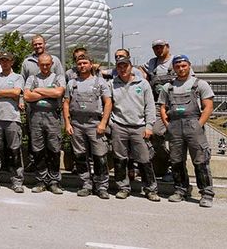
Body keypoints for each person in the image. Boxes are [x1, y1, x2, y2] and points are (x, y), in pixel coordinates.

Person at [160, 55, 215, 208]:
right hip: (175, 127)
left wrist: (199, 125)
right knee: (176, 161)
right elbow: (162, 107)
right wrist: (167, 124)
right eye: (178, 66)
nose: (181, 69)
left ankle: (206, 193)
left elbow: (208, 106)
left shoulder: (200, 84)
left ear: (189, 65)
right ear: (174, 68)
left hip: (193, 126)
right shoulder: (168, 87)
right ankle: (180, 190)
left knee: (201, 160)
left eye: (184, 65)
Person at [110, 56, 160, 201]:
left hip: (139, 127)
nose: (122, 68)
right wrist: (112, 124)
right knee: (120, 159)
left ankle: (150, 189)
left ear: (131, 67)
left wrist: (149, 126)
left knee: (144, 159)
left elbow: (150, 106)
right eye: (119, 66)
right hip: (119, 126)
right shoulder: (112, 84)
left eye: (125, 65)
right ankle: (123, 187)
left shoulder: (143, 84)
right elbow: (107, 104)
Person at [63, 55, 113, 199]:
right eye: (79, 63)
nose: (82, 66)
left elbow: (108, 103)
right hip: (77, 123)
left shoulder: (100, 82)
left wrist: (103, 123)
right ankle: (86, 184)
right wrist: (67, 123)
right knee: (80, 156)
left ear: (91, 65)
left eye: (85, 63)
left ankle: (101, 186)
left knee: (99, 156)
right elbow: (66, 103)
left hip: (95, 124)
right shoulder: (72, 83)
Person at [23, 53, 66, 194]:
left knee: (54, 149)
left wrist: (38, 91)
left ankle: (54, 181)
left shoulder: (58, 77)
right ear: (38, 65)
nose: (45, 67)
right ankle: (41, 180)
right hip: (36, 117)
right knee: (38, 149)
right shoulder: (32, 78)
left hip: (52, 117)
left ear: (52, 63)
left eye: (48, 64)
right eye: (42, 64)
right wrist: (49, 91)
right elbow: (27, 96)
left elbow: (59, 93)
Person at [0, 51, 25, 192]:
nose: (4, 63)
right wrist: (9, 92)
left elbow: (16, 93)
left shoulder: (18, 77)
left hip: (12, 118)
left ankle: (17, 181)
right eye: (2, 60)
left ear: (12, 62)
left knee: (14, 151)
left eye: (7, 60)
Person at [142, 39, 176, 180]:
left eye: (161, 47)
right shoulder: (151, 63)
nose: (158, 50)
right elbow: (138, 70)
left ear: (167, 47)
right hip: (157, 104)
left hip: (176, 103)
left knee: (176, 137)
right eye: (156, 48)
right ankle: (163, 165)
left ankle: (175, 170)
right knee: (155, 133)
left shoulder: (177, 61)